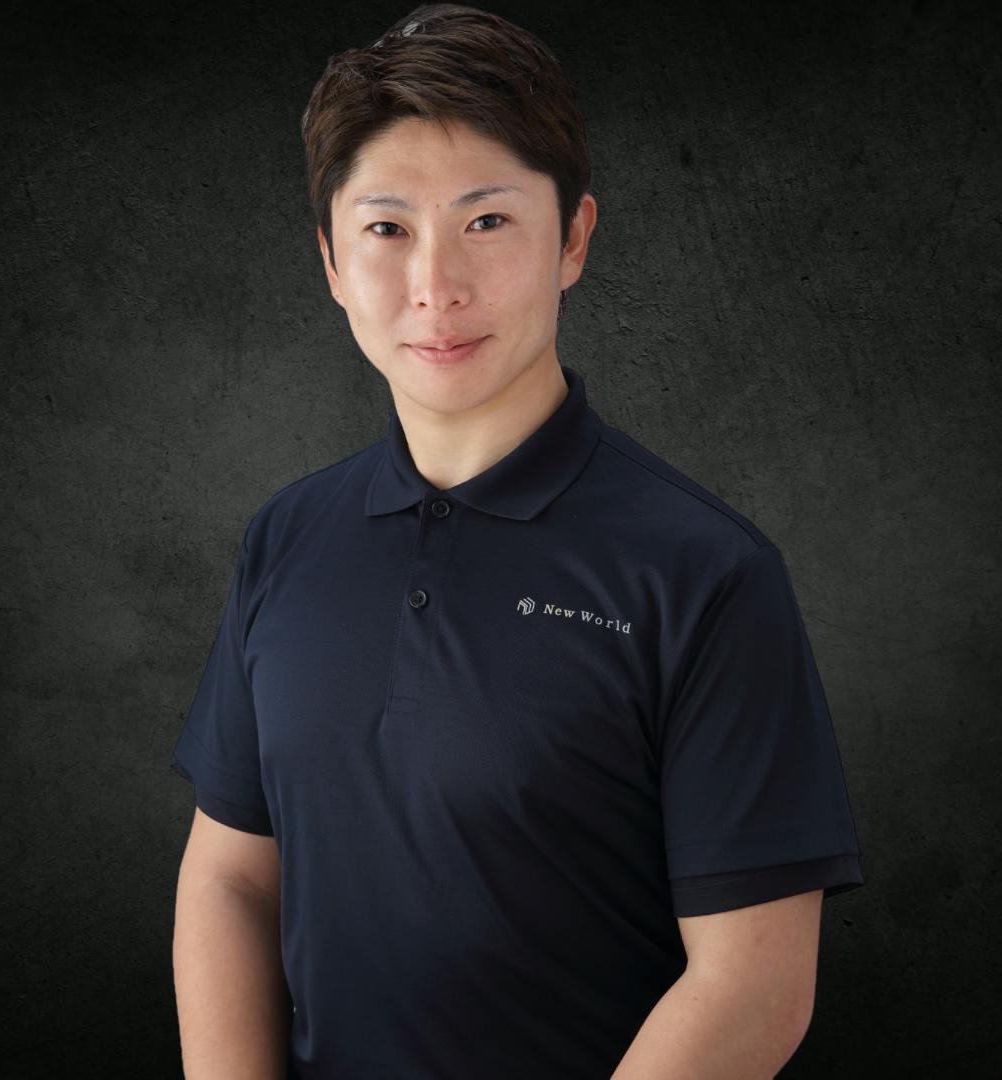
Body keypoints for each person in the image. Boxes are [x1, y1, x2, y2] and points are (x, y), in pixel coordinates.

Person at [170, 5, 865, 1078]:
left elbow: (754, 985)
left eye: (488, 221)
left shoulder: (705, 572)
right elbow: (231, 877)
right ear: (331, 262)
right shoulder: (286, 538)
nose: (435, 286)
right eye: (387, 230)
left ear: (574, 239)